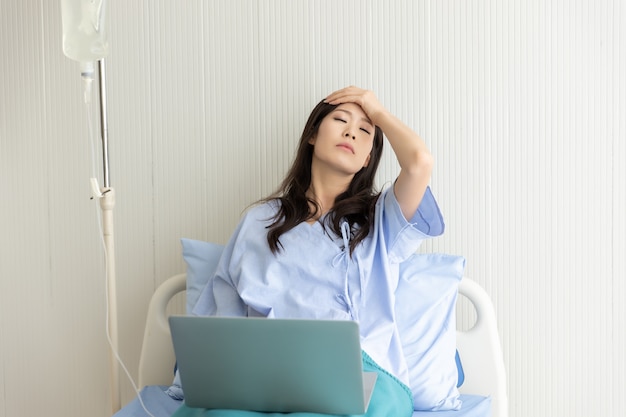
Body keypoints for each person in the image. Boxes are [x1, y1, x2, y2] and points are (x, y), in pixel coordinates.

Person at [180, 86, 445, 417]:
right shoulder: (259, 221)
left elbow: (419, 163)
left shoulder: (380, 220)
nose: (351, 130)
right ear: (312, 135)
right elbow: (226, 313)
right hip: (269, 372)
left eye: (364, 130)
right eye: (340, 119)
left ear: (367, 159)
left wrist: (377, 112)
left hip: (360, 376)